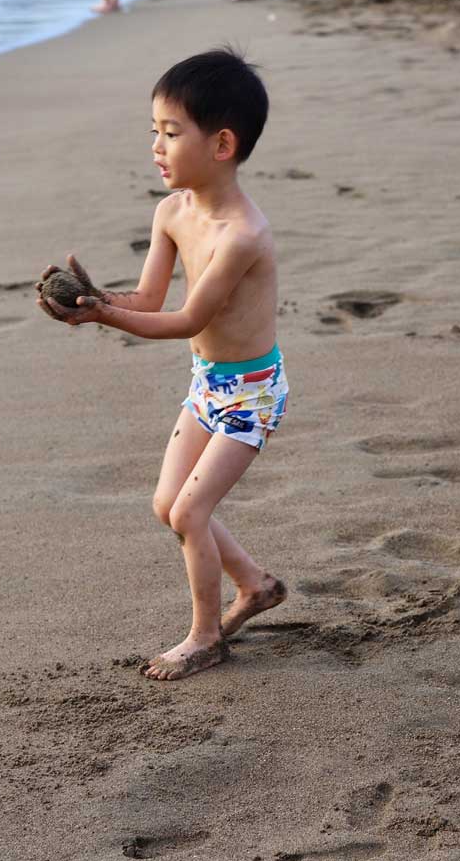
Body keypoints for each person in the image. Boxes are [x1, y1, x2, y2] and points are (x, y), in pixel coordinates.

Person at [36, 49, 289, 681]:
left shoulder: (242, 235)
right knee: (166, 502)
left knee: (189, 513)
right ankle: (255, 586)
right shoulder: (172, 211)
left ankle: (205, 637)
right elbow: (148, 300)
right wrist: (99, 299)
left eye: (172, 133)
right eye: (154, 130)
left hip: (252, 392)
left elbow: (184, 321)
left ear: (222, 143)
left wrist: (101, 319)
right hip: (208, 383)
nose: (157, 144)